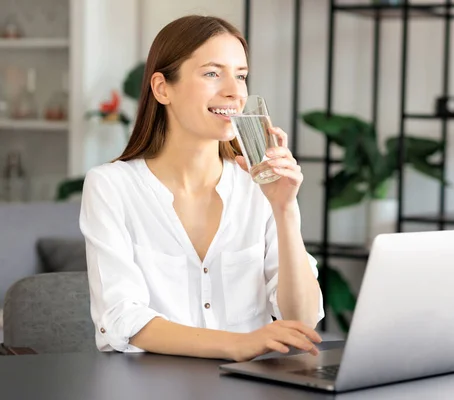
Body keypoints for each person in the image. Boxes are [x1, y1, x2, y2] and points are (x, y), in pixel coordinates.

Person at [79, 15, 324, 362]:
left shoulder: (259, 187)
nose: (234, 91)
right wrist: (237, 343)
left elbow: (302, 322)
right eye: (212, 73)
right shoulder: (111, 186)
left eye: (240, 75)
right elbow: (121, 319)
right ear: (163, 88)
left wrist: (285, 210)